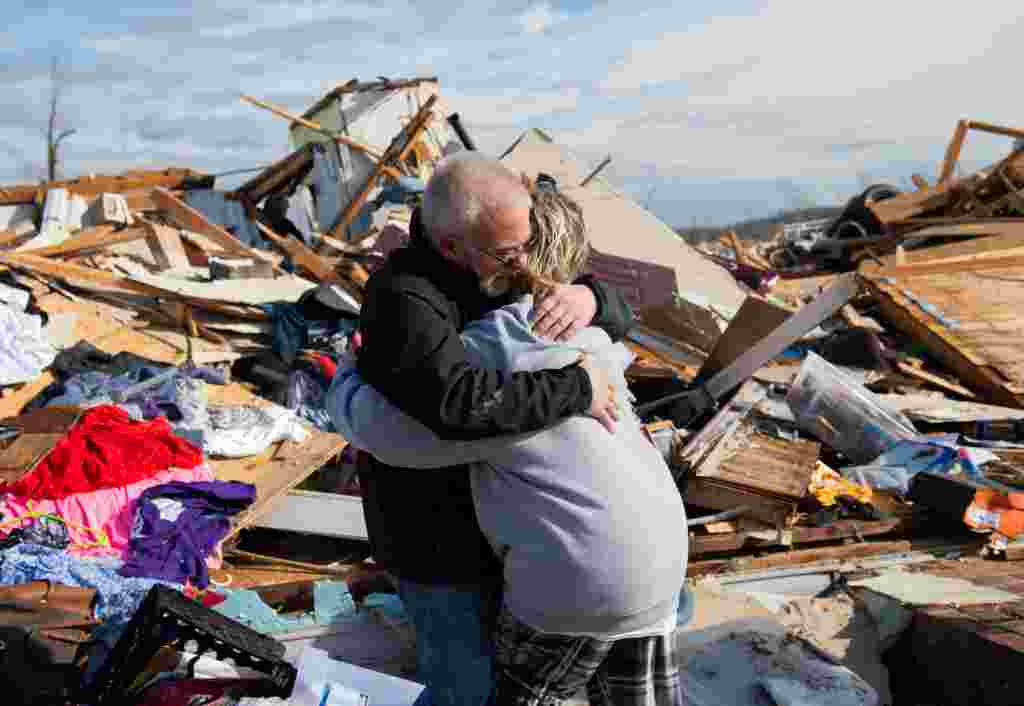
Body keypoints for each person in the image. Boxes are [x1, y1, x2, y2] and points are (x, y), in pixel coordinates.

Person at [330, 188, 689, 706]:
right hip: (658, 559)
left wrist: (346, 376)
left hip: (580, 578)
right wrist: (593, 300)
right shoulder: (587, 333)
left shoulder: (492, 346)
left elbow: (398, 435)